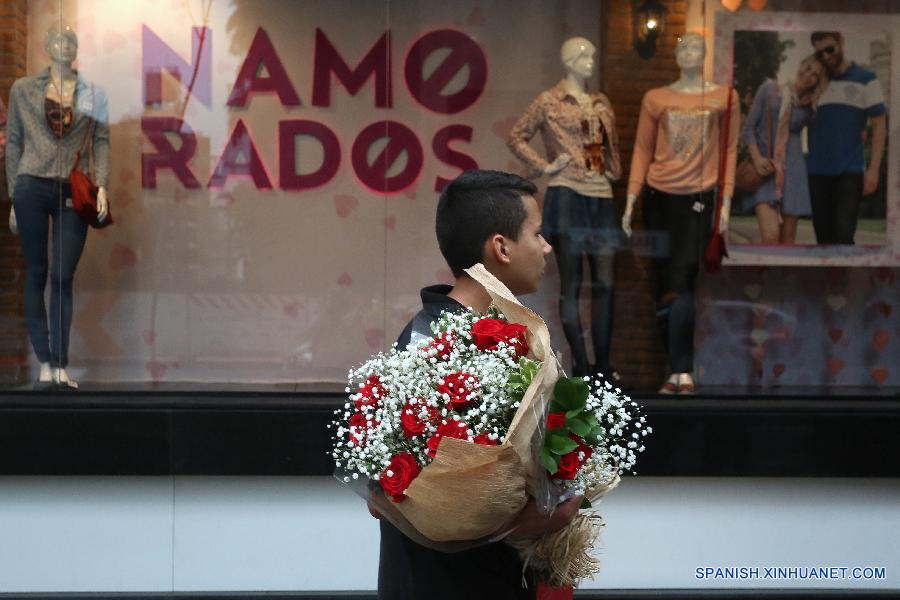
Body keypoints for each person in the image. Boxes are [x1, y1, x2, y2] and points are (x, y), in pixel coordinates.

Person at [375, 169, 582, 600]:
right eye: (538, 234)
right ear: (501, 247)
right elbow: (407, 496)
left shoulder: (499, 335)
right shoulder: (437, 347)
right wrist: (526, 521)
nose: (547, 247)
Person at [621, 32, 739, 395]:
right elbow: (642, 149)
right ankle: (675, 371)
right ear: (675, 54)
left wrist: (726, 203)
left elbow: (730, 152)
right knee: (663, 281)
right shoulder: (656, 98)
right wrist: (630, 199)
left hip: (699, 198)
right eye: (683, 46)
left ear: (704, 55)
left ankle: (682, 369)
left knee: (683, 276)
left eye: (696, 48)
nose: (689, 52)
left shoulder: (723, 97)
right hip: (658, 195)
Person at [507, 37, 622, 379]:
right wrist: (544, 166)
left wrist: (615, 170)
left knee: (606, 283)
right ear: (568, 60)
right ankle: (582, 367)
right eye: (584, 55)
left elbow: (610, 148)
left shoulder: (601, 101)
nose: (590, 61)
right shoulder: (549, 101)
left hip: (600, 193)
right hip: (567, 193)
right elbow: (516, 136)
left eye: (593, 55)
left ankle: (603, 366)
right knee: (572, 283)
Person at [6, 24, 110, 388]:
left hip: (72, 188)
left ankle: (61, 361)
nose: (64, 45)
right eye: (58, 39)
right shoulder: (23, 89)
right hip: (31, 183)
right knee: (36, 272)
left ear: (77, 47)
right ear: (47, 46)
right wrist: (12, 194)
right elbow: (14, 141)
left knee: (62, 275)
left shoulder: (94, 94)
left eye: (71, 39)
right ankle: (45, 361)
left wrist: (103, 186)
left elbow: (101, 139)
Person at [807, 31, 887, 245]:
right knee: (823, 238)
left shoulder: (866, 79)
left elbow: (879, 124)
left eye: (829, 49)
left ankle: (845, 278)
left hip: (849, 172)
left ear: (841, 42)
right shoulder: (815, 81)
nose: (825, 56)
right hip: (816, 171)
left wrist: (874, 169)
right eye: (819, 53)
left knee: (843, 234)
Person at [741, 56, 827, 244]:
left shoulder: (810, 107)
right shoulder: (770, 89)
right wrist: (757, 159)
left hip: (794, 171)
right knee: (771, 237)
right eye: (808, 67)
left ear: (819, 82)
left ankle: (783, 275)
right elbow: (748, 129)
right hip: (766, 169)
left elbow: (819, 137)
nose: (809, 75)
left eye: (816, 75)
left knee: (788, 240)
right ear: (801, 65)